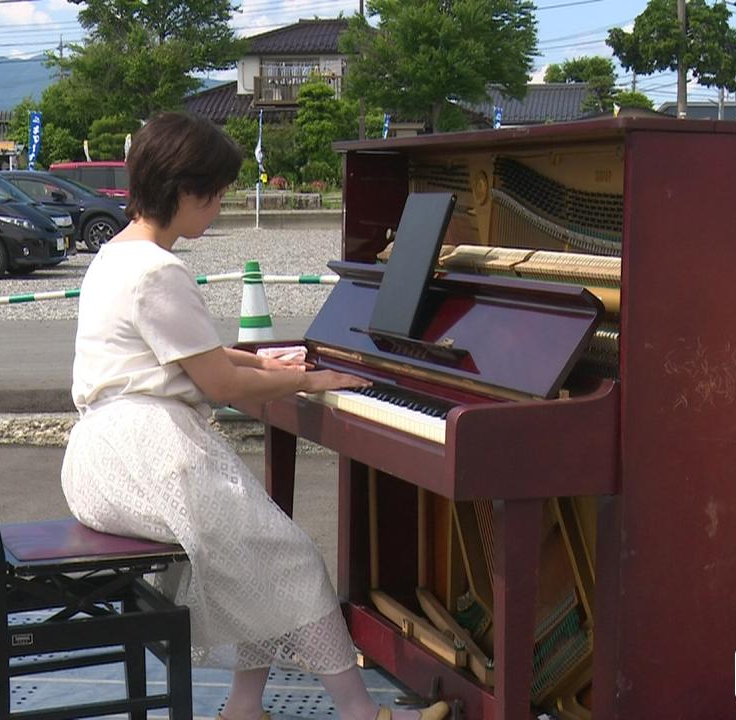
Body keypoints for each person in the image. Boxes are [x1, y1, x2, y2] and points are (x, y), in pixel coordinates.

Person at [61, 112, 449, 720]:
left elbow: (190, 359)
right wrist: (312, 379)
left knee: (255, 562)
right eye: (215, 195)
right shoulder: (159, 271)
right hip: (147, 455)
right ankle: (361, 713)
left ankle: (244, 708)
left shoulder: (115, 255)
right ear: (187, 191)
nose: (218, 208)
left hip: (101, 458)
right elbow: (218, 383)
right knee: (291, 559)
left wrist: (266, 365)